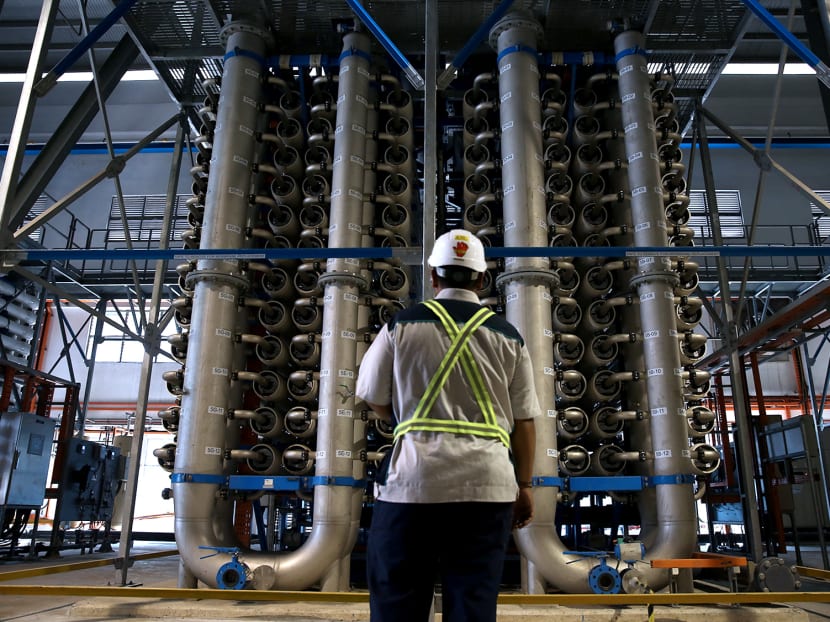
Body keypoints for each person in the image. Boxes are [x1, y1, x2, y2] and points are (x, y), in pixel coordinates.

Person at [356, 229, 539, 622]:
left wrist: (408, 419)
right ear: (482, 279)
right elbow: (524, 421)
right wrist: (524, 486)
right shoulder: (509, 337)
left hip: (412, 485)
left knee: (396, 603)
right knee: (472, 606)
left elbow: (371, 393)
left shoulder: (400, 326)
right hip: (487, 487)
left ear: (433, 277)